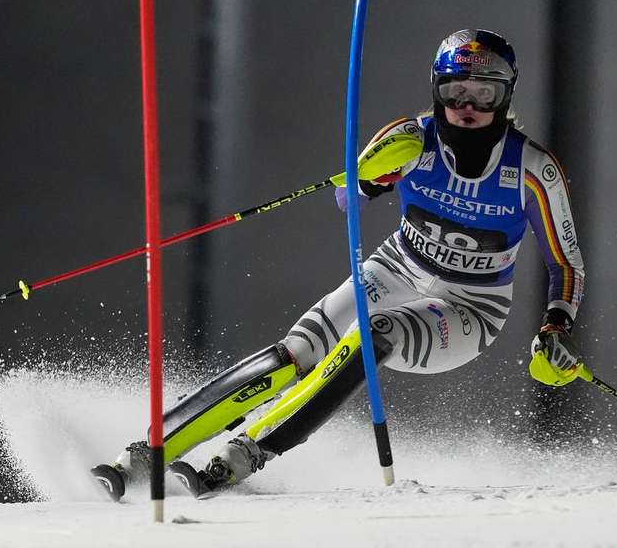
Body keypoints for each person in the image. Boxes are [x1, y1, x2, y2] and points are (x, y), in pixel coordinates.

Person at [91, 29, 586, 500]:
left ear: (506, 95)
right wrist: (366, 176)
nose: (468, 107)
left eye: (485, 93)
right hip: (395, 268)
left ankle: (242, 454)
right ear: (437, 89)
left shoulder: (532, 169)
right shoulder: (410, 138)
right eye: (454, 91)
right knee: (297, 352)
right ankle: (147, 454)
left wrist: (556, 326)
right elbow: (348, 200)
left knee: (375, 335)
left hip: (470, 307)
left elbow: (565, 261)